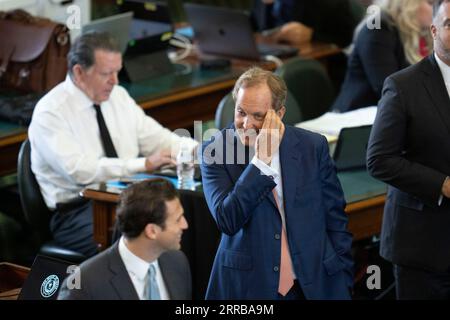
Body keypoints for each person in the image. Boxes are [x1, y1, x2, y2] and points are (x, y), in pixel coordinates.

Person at [28, 32, 196, 257]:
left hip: (129, 199)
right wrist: (143, 164)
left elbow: (158, 138)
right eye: (107, 73)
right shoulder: (50, 112)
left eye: (117, 71)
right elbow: (80, 172)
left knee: (188, 221)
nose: (115, 81)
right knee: (151, 238)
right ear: (79, 72)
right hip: (79, 211)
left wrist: (201, 151)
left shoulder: (118, 96)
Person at [200, 67, 353, 300]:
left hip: (314, 284)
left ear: (279, 113)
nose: (246, 123)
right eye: (240, 112)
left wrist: (343, 277)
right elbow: (227, 219)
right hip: (250, 288)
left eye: (258, 116)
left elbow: (335, 219)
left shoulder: (312, 146)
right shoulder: (216, 150)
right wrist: (261, 162)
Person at [366, 0, 450, 300]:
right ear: (434, 30)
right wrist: (442, 184)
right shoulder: (403, 86)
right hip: (423, 245)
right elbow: (379, 160)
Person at [58, 178, 191, 300]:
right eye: (178, 219)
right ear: (151, 231)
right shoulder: (84, 284)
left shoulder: (177, 262)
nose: (185, 225)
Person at [332, 0, 433, 113]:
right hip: (357, 118)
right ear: (408, 4)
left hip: (396, 115)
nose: (437, 9)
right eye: (431, 3)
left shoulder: (424, 32)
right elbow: (389, 89)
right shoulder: (377, 29)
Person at [252, 0, 360, 48]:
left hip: (317, 69)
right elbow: (256, 25)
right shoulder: (262, 3)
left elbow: (348, 37)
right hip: (268, 65)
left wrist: (312, 35)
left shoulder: (328, 3)